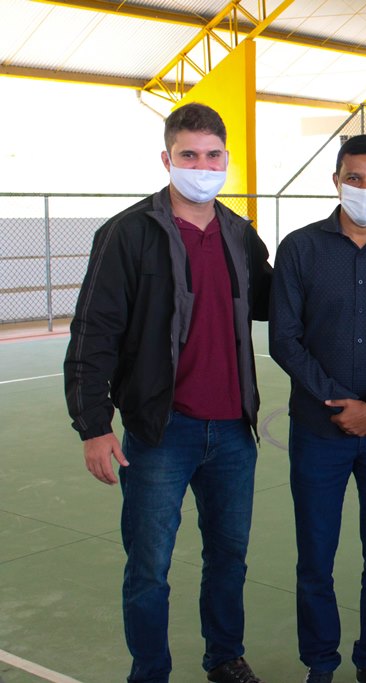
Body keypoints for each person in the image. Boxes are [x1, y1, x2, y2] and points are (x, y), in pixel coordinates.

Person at [63, 102, 273, 683]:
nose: (202, 167)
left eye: (212, 155)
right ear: (166, 159)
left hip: (233, 433)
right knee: (149, 568)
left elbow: (277, 303)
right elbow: (94, 332)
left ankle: (224, 657)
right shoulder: (128, 234)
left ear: (226, 159)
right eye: (189, 155)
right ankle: (150, 672)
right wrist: (94, 426)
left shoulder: (240, 235)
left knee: (228, 559)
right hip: (161, 433)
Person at [269, 134, 366, 683]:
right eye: (355, 178)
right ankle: (320, 663)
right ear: (336, 180)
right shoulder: (299, 249)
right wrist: (339, 403)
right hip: (319, 432)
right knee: (316, 557)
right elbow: (285, 339)